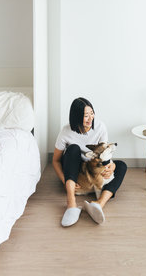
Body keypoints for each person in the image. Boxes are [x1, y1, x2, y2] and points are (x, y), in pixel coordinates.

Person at [53, 97, 127, 227]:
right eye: (86, 115)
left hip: (92, 170)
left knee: (121, 165)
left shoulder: (100, 127)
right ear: (76, 117)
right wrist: (64, 180)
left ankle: (99, 204)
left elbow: (104, 153)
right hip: (74, 171)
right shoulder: (66, 132)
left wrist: (112, 166)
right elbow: (56, 160)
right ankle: (71, 204)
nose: (90, 118)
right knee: (73, 148)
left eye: (92, 113)